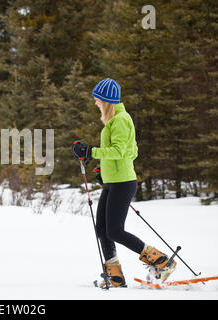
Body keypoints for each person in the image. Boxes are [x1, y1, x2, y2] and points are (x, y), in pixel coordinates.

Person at [72, 78, 176, 288]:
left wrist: (91, 152)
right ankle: (115, 276)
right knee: (102, 229)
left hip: (123, 183)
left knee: (115, 231)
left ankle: (161, 260)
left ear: (107, 100)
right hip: (114, 182)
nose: (95, 103)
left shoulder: (121, 119)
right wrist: (105, 171)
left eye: (97, 100)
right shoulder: (113, 120)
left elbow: (120, 151)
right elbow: (131, 151)